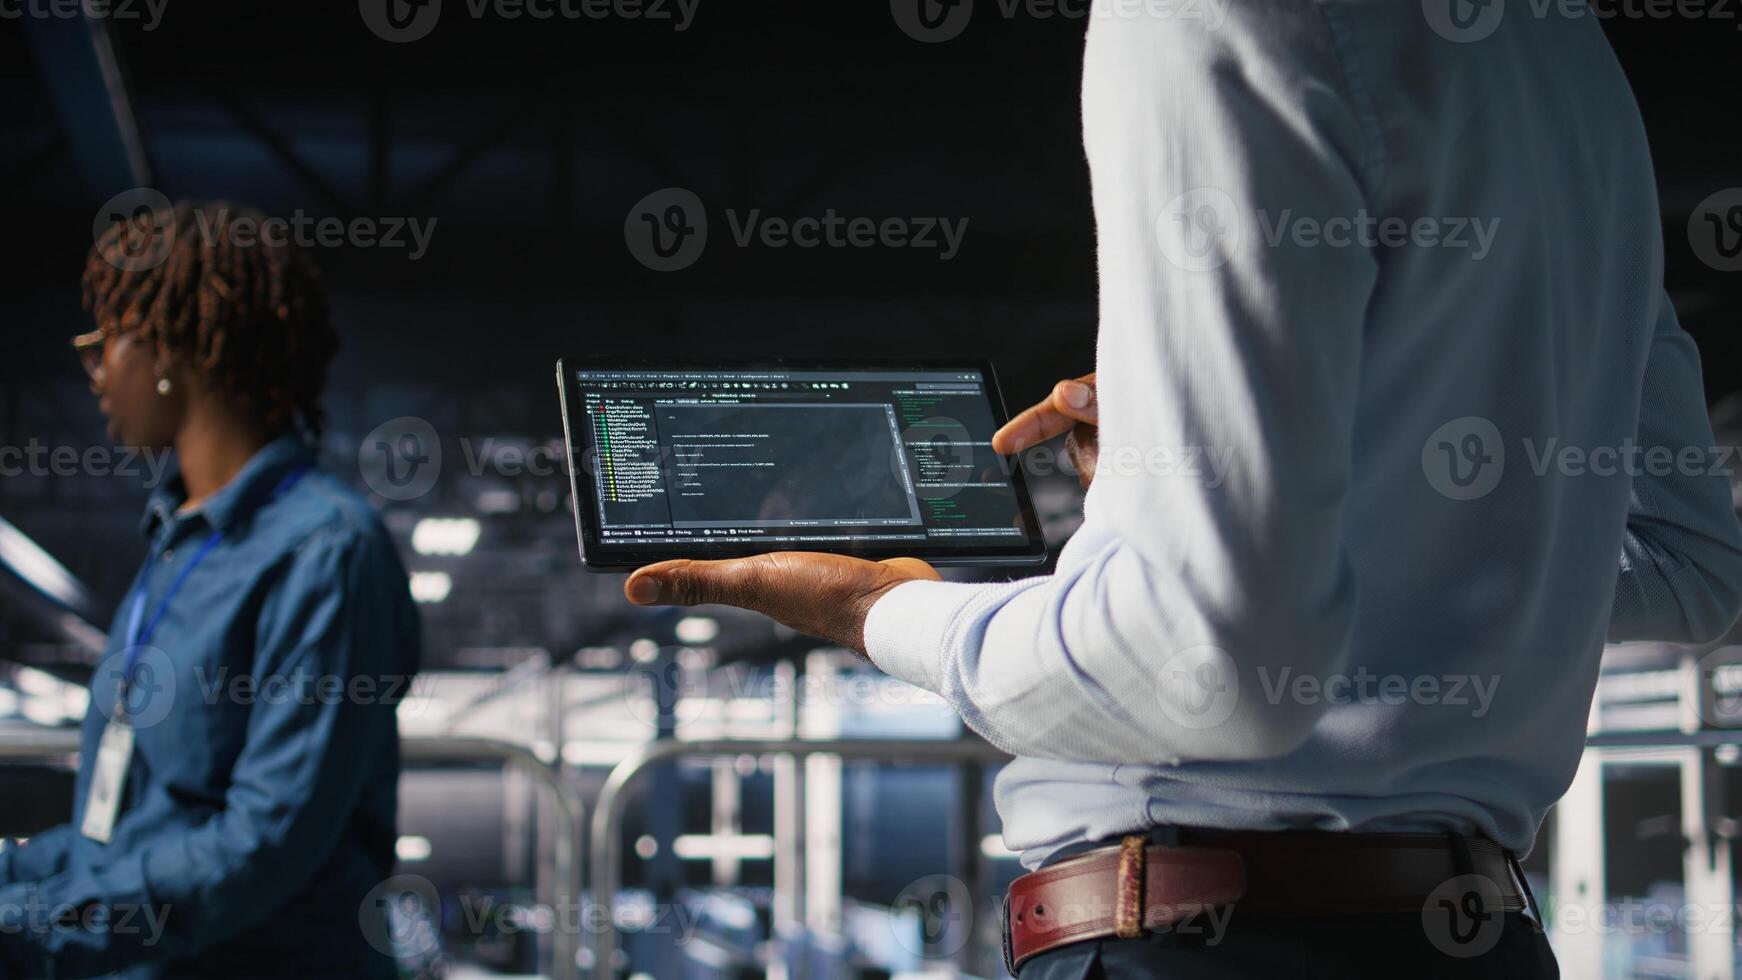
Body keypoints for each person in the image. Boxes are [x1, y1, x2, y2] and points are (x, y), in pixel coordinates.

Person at [621, 3, 1742, 977]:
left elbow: (1215, 669)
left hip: (1206, 945)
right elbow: (1694, 570)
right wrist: (1235, 483)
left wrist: (880, 608)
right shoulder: (1565, 55)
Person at [0, 202, 421, 978]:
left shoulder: (326, 551)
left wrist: (31, 927)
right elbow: (126, 835)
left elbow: (262, 845)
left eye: (106, 339)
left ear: (168, 348)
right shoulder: (175, 542)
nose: (93, 368)